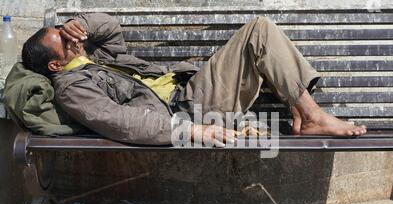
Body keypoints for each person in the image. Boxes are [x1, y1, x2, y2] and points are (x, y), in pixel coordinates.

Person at [21, 13, 366, 147]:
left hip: (187, 89)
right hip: (185, 109)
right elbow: (119, 122)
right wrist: (191, 131)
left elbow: (109, 26)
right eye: (65, 41)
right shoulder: (72, 88)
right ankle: (309, 116)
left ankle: (305, 113)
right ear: (54, 66)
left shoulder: (97, 55)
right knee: (258, 33)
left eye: (68, 34)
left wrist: (76, 21)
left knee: (259, 30)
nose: (73, 39)